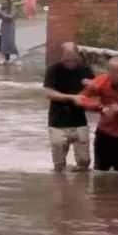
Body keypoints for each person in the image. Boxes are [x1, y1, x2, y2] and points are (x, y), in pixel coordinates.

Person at [76, 55, 118, 172]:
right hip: (103, 134)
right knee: (100, 173)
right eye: (111, 71)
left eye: (117, 72)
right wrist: (100, 107)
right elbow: (80, 99)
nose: (113, 75)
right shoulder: (101, 81)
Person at [42, 43, 94, 172]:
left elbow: (96, 92)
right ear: (61, 56)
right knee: (59, 164)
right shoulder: (53, 69)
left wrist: (93, 86)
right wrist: (71, 97)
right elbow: (48, 93)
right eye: (67, 58)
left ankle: (81, 187)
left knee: (84, 162)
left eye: (73, 58)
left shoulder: (85, 70)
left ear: (78, 55)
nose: (70, 61)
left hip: (79, 120)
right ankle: (61, 185)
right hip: (57, 121)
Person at [0, 0, 18, 65]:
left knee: (11, 41)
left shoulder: (12, 6)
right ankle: (4, 57)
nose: (1, 1)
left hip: (10, 25)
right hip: (4, 25)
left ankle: (17, 56)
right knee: (4, 41)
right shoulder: (1, 7)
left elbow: (11, 16)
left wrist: (2, 14)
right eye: (0, 0)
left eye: (2, 0)